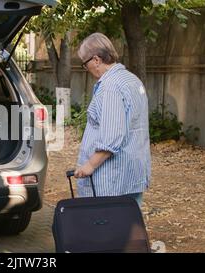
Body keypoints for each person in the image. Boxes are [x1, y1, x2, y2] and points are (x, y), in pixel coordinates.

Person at [74, 32, 151, 208]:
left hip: (111, 180)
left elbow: (112, 135)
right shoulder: (132, 80)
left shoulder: (110, 87)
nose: (86, 69)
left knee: (106, 231)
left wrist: (90, 165)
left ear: (96, 60)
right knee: (129, 229)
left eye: (85, 64)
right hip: (132, 174)